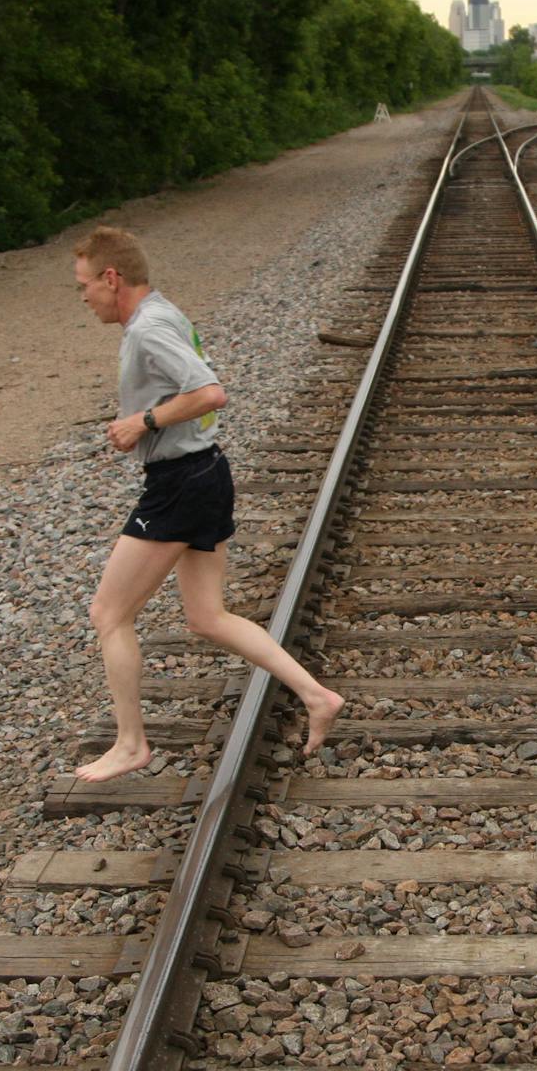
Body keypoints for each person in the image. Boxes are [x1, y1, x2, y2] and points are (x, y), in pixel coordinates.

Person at [69, 226, 342, 782]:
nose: (84, 297)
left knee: (109, 613)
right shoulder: (163, 313)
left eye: (84, 285)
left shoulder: (147, 329)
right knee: (207, 616)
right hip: (206, 472)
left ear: (111, 277)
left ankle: (129, 745)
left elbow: (209, 392)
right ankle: (317, 696)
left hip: (180, 483)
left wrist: (141, 422)